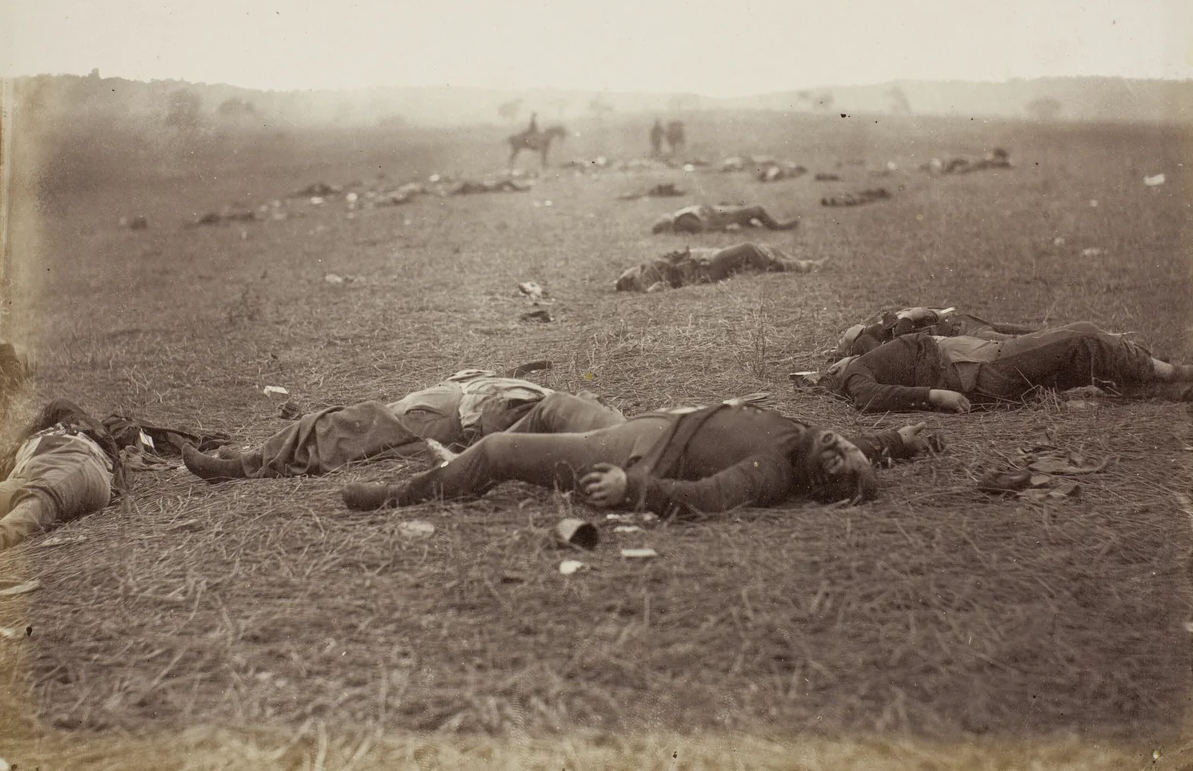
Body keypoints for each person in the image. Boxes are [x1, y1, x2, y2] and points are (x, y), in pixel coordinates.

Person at [341, 393, 940, 516]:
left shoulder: (774, 471)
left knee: (498, 450)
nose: (839, 448)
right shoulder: (810, 440)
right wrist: (901, 443)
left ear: (818, 482)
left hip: (637, 456)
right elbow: (856, 447)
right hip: (646, 426)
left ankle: (399, 495)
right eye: (850, 450)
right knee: (557, 405)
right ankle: (462, 464)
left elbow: (708, 498)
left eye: (839, 464)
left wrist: (634, 493)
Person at [181, 368, 625, 481]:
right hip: (454, 399)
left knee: (339, 427)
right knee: (344, 419)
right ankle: (250, 455)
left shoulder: (579, 429)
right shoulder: (587, 414)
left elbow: (504, 447)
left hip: (442, 419)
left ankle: (241, 467)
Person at [818, 322, 1193, 413]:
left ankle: (1164, 388)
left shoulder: (872, 356)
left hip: (980, 358)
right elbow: (869, 397)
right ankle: (1174, 373)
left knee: (1081, 354)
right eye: (839, 354)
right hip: (979, 368)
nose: (839, 357)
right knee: (1085, 336)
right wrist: (935, 396)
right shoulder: (854, 373)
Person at [0, 400, 126, 554]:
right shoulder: (59, 423)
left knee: (41, 496)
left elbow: (59, 406)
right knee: (31, 494)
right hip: (28, 469)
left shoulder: (91, 432)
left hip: (72, 456)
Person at [831, 307, 1039, 360]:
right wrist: (909, 316)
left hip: (960, 323)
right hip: (965, 335)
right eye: (841, 340)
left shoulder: (876, 330)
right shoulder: (867, 344)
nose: (841, 336)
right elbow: (902, 345)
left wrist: (920, 313)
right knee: (1025, 342)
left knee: (1032, 335)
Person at [615, 243, 823, 293]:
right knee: (748, 248)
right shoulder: (646, 276)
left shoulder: (648, 268)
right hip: (705, 271)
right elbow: (654, 289)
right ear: (630, 279)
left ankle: (799, 262)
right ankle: (800, 266)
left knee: (761, 247)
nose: (630, 270)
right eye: (627, 274)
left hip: (706, 261)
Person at [651, 204, 800, 235]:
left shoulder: (680, 216)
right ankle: (778, 227)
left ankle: (756, 226)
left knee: (748, 212)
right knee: (757, 210)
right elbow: (703, 228)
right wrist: (725, 229)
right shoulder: (681, 219)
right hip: (721, 218)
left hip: (720, 214)